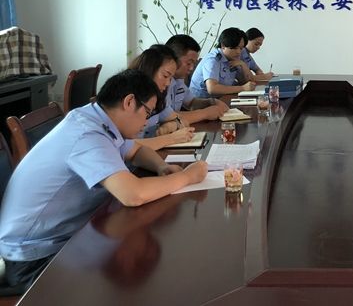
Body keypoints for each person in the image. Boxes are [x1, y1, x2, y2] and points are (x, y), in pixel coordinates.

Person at [0, 69, 208, 291]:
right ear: (129, 102)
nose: (147, 122)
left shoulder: (96, 118)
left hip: (62, 236)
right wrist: (187, 176)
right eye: (147, 113)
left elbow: (135, 150)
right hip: (34, 257)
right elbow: (132, 194)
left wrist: (161, 166)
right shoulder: (86, 134)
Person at [128, 45, 194, 150]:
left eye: (171, 78)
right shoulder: (129, 98)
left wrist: (171, 126)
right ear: (149, 69)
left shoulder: (157, 97)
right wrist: (171, 138)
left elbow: (181, 120)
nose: (168, 83)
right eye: (165, 76)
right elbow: (125, 147)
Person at [165, 34, 229, 123]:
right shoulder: (162, 83)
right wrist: (205, 113)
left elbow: (191, 103)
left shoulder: (179, 80)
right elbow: (167, 117)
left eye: (193, 63)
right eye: (188, 63)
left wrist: (211, 102)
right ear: (173, 59)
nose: (191, 68)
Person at [189, 27, 256, 97]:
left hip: (221, 97)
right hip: (202, 100)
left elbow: (247, 82)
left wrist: (243, 65)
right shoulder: (213, 60)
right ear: (223, 46)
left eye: (241, 48)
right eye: (235, 48)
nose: (238, 52)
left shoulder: (233, 58)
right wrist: (242, 88)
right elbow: (212, 89)